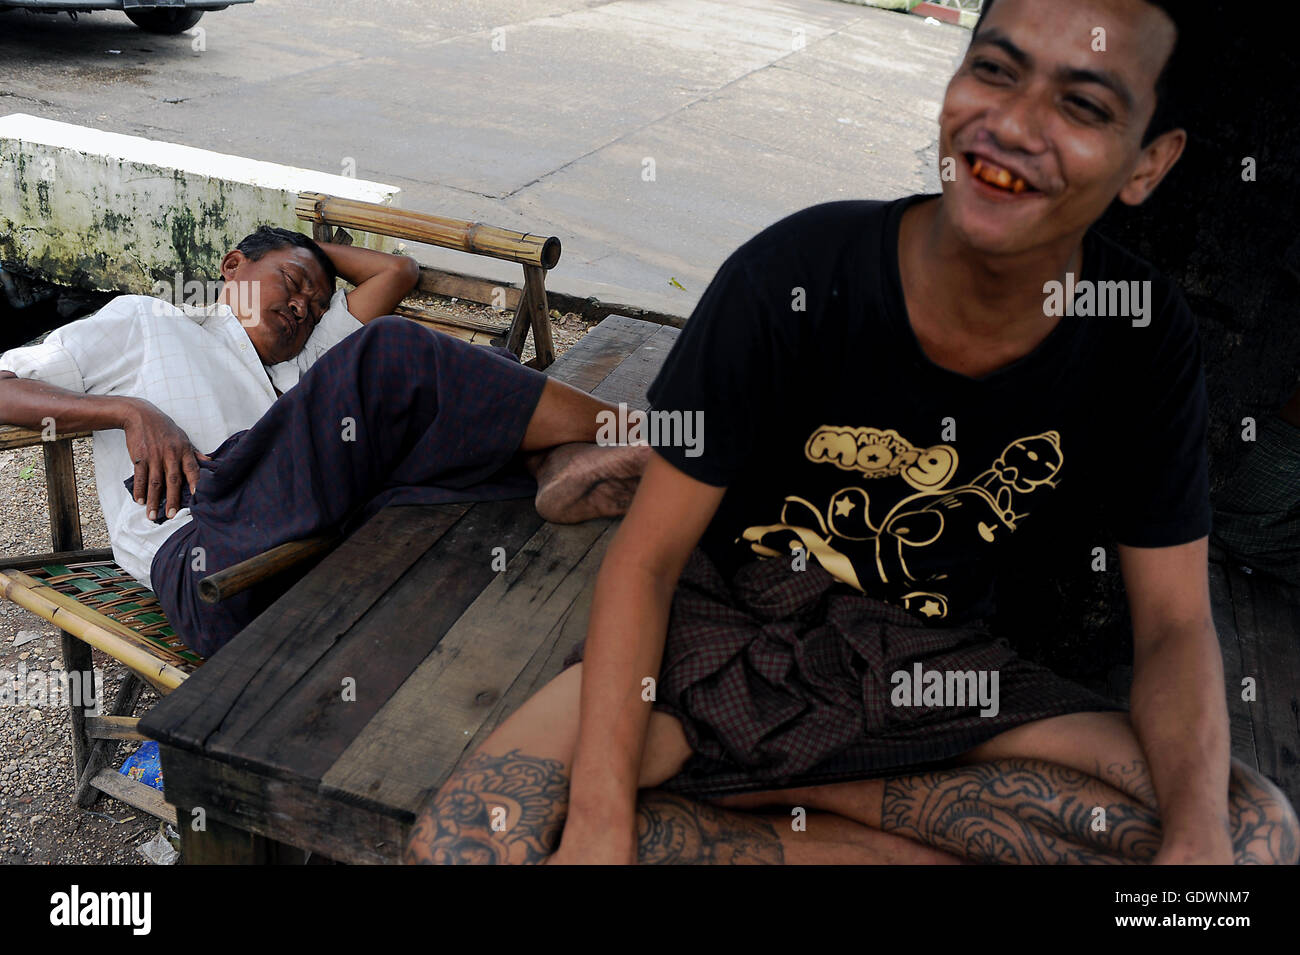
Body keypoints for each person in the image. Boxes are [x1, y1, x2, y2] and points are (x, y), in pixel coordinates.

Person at [404, 0, 1299, 865]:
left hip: (936, 679)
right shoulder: (792, 275)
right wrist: (601, 824)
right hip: (723, 645)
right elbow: (644, 563)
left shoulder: (1141, 331)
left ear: (1149, 162)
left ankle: (802, 800)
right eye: (994, 69)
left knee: (1249, 828)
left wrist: (1195, 844)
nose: (1015, 124)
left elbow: (1178, 623)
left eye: (1083, 104)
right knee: (470, 842)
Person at [0, 227, 648, 658]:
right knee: (391, 349)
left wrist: (308, 257)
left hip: (317, 543)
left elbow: (397, 269)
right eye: (292, 282)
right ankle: (630, 434)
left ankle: (559, 465)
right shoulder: (147, 322)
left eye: (318, 298)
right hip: (214, 557)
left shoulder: (308, 365)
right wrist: (126, 410)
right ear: (233, 265)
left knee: (454, 479)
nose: (305, 306)